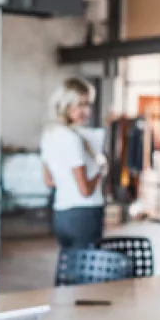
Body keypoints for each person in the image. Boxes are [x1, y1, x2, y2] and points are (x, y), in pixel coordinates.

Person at [40, 78, 107, 249]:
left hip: (61, 215)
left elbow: (49, 181)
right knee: (89, 271)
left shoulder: (49, 134)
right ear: (66, 105)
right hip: (84, 214)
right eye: (81, 104)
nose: (86, 110)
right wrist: (100, 170)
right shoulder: (72, 139)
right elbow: (85, 190)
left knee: (70, 268)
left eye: (88, 104)